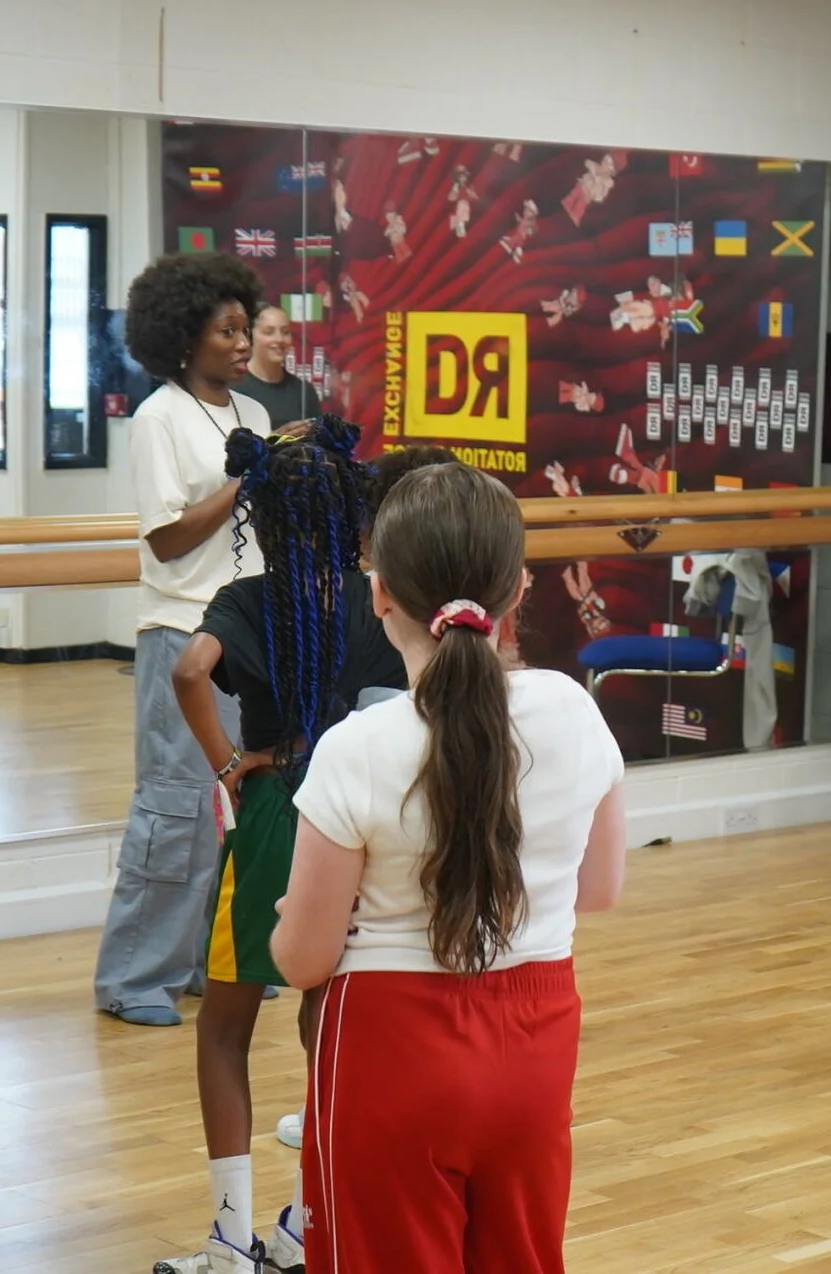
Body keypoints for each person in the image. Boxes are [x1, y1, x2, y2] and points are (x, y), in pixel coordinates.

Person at [272, 462, 629, 1273]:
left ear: (379, 594)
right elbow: (600, 889)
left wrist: (297, 917)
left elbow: (302, 960)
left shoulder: (356, 746)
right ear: (519, 587)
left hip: (390, 1043)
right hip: (537, 1038)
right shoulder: (574, 709)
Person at [157, 417, 400, 1274]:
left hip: (270, 813)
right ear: (349, 520)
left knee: (225, 1026)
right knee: (325, 1019)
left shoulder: (248, 600)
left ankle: (231, 1239)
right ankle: (306, 1221)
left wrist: (229, 762)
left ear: (256, 518)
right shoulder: (368, 598)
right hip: (350, 816)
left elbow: (189, 668)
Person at [268, 437, 460, 1159]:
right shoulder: (553, 707)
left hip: (363, 804)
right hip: (506, 1038)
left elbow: (303, 957)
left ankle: (329, 1103)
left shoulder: (353, 602)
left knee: (336, 957)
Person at [94, 253, 273, 1027]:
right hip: (182, 631)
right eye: (226, 330)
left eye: (246, 327)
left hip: (253, 632)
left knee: (246, 798)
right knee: (178, 805)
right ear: (182, 337)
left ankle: (216, 957)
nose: (244, 342)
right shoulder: (158, 417)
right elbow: (166, 537)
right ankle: (135, 975)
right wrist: (248, 482)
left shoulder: (254, 412)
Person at [231, 304, 322, 424]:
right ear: (250, 336)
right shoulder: (233, 388)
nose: (279, 339)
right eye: (269, 332)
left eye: (285, 332)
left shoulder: (304, 391)